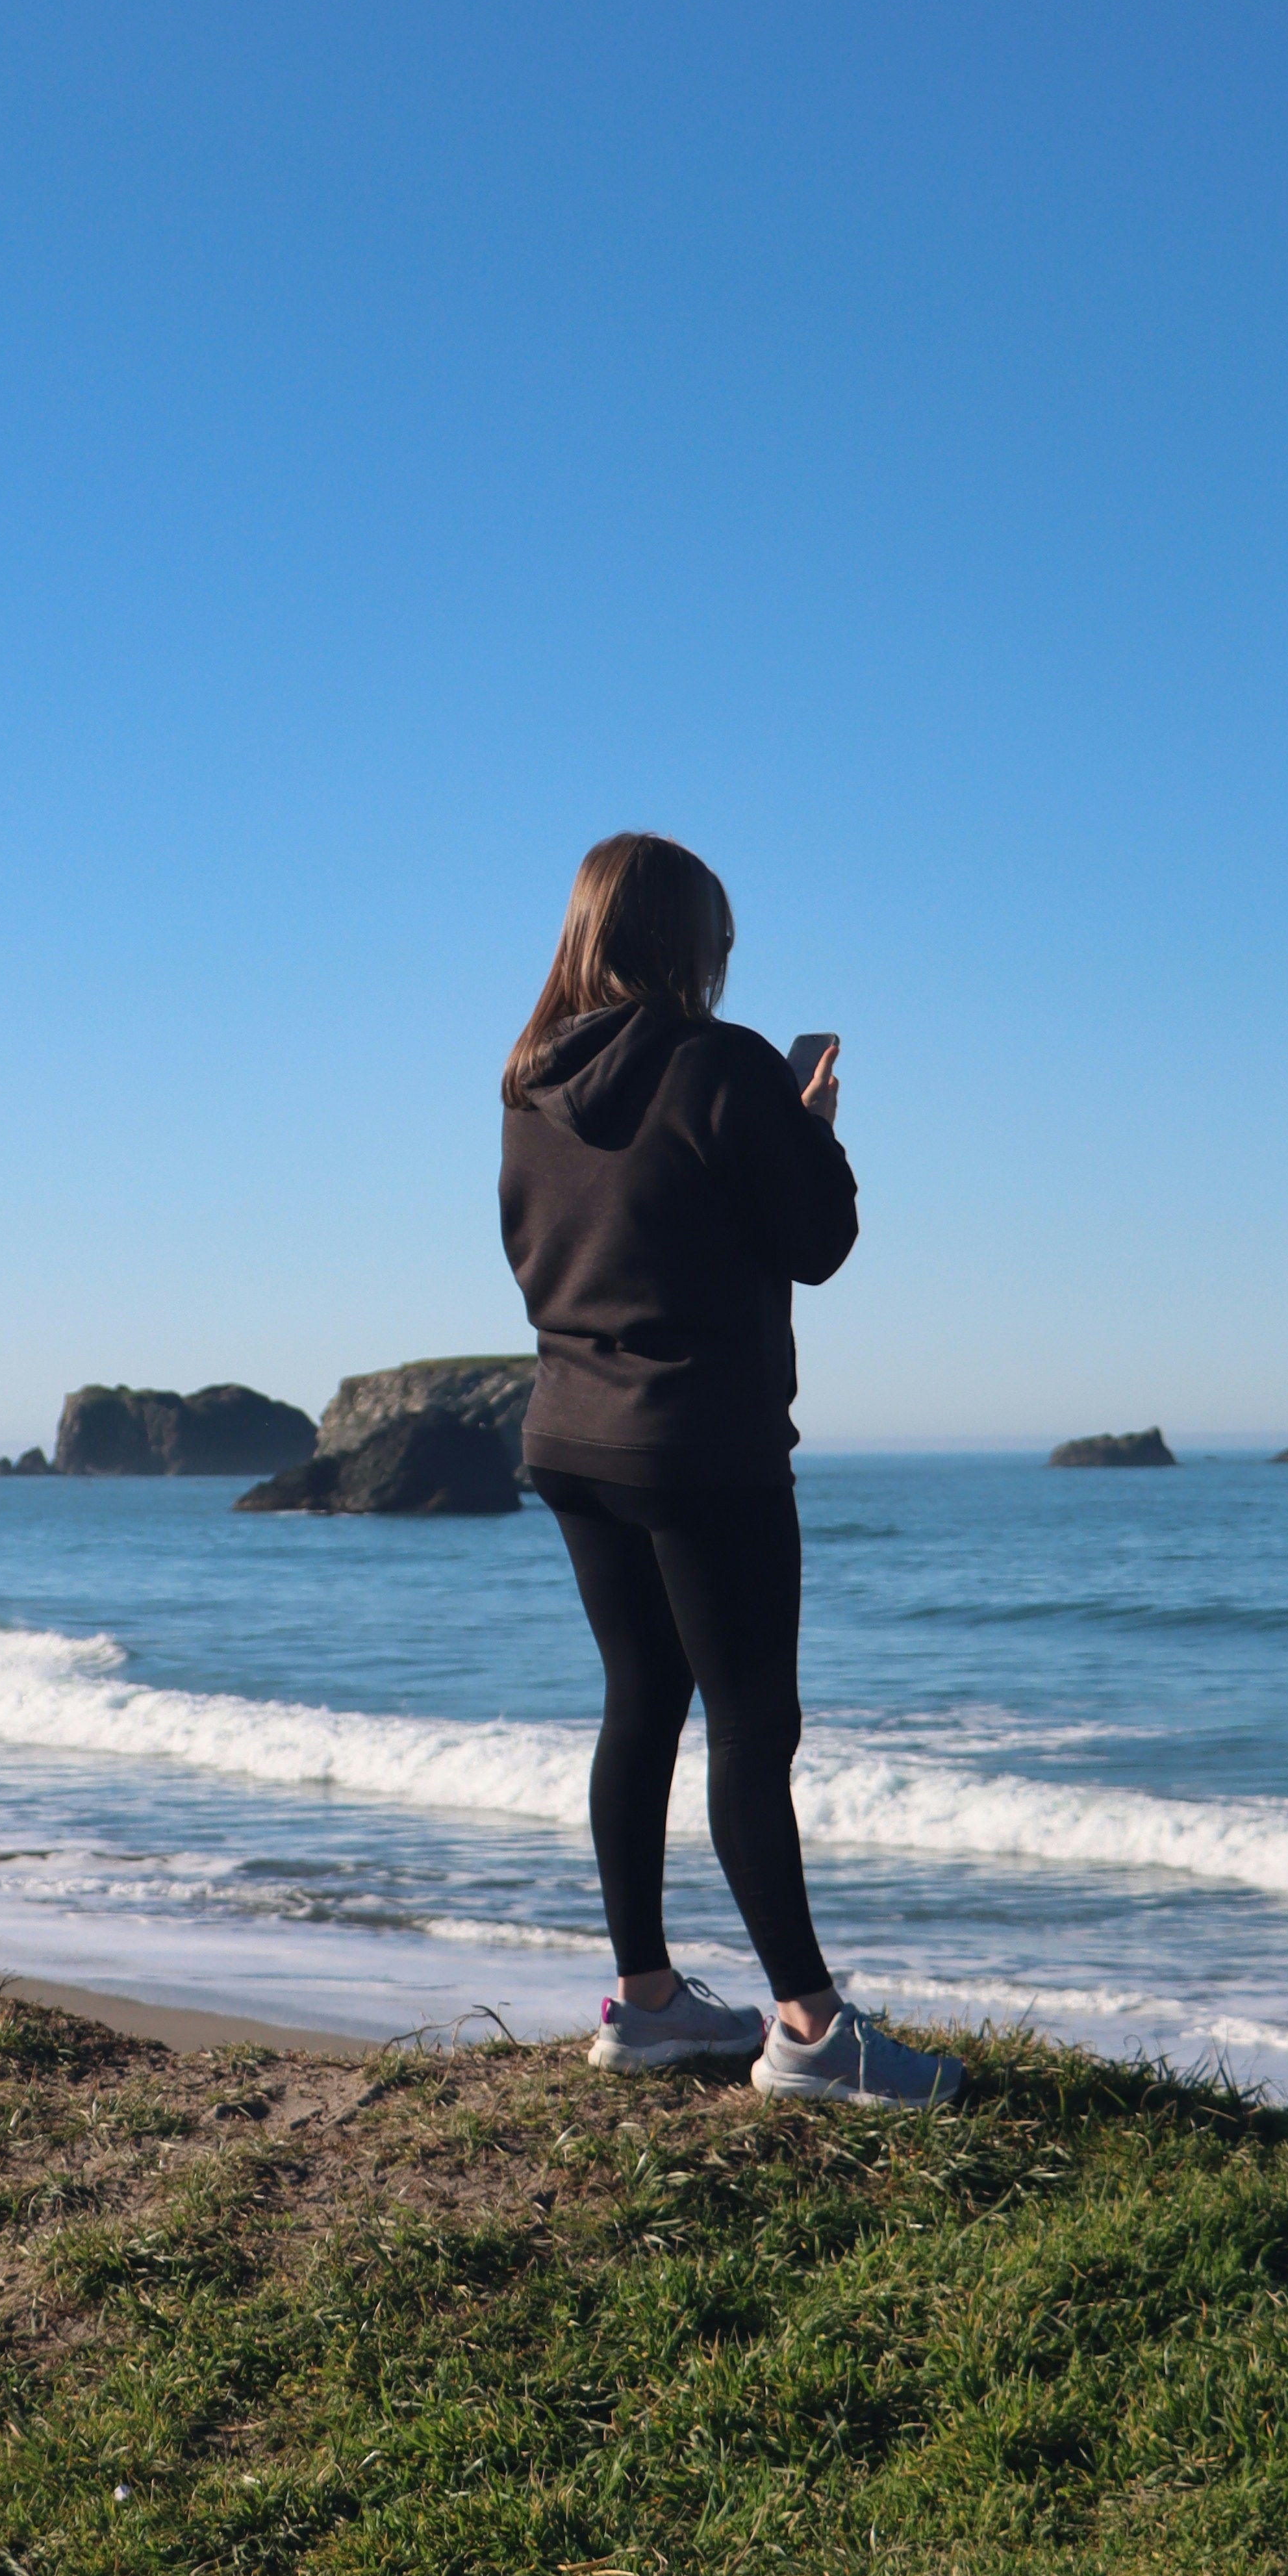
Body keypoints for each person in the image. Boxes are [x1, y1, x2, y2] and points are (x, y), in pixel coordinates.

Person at [499, 830, 964, 2109]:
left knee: (639, 1702)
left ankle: (646, 2003)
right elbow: (816, 1241)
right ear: (688, 945)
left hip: (570, 1438)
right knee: (753, 1726)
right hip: (702, 1442)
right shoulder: (723, 1066)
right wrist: (808, 1128)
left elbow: (541, 1253)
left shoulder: (526, 1089)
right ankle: (810, 2031)